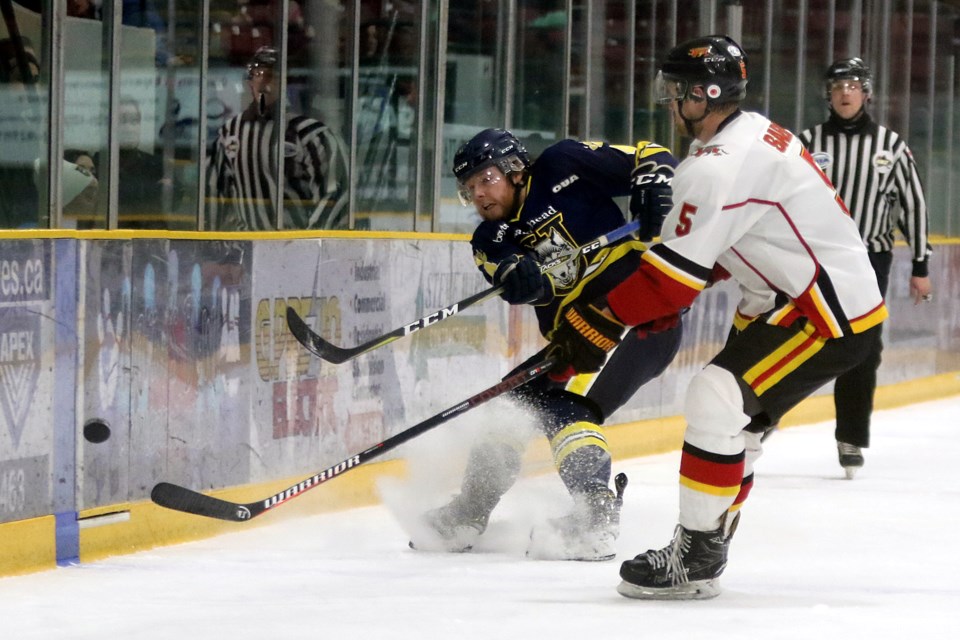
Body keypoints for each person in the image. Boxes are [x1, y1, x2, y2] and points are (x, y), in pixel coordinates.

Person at [546, 35, 887, 598]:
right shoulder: (747, 135)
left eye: (676, 90)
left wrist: (597, 320)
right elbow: (722, 253)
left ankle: (696, 554)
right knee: (739, 426)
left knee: (717, 400)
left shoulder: (717, 166)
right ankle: (708, 541)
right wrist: (645, 308)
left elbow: (670, 279)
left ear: (704, 94)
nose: (669, 100)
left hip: (825, 313)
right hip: (786, 298)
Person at [408, 128, 684, 561]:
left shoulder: (564, 163)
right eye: (469, 189)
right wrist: (520, 276)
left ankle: (595, 512)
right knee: (508, 406)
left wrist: (654, 185)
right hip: (577, 336)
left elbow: (652, 154)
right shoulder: (490, 239)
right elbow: (511, 276)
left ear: (515, 170)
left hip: (636, 315)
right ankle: (470, 511)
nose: (478, 195)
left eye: (485, 179)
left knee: (566, 406)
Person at [799, 57, 933, 478]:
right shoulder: (805, 142)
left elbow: (913, 205)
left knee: (863, 348)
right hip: (812, 258)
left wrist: (921, 263)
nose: (845, 92)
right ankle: (755, 424)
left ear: (867, 92)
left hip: (868, 260)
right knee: (785, 336)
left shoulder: (890, 147)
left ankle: (851, 436)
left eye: (854, 84)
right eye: (838, 84)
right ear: (828, 93)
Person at [207, 46, 348, 231]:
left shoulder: (312, 134)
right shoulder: (230, 132)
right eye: (258, 74)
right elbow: (215, 192)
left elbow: (334, 194)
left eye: (271, 76)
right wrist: (214, 246)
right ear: (250, 81)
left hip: (295, 249)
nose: (263, 82)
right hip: (246, 248)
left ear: (285, 82)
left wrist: (308, 244)